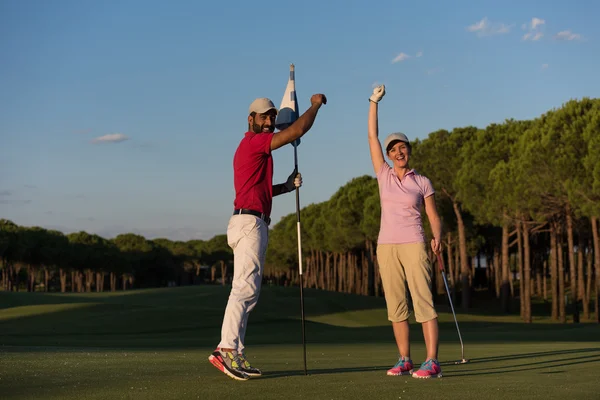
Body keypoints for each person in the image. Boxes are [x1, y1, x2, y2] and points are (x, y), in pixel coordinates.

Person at [209, 94, 327, 381]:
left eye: (272, 117)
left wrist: (285, 187)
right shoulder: (254, 142)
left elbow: (260, 189)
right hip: (249, 222)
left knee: (249, 293)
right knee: (244, 290)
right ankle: (225, 349)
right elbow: (297, 131)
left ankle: (234, 350)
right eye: (263, 117)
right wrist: (315, 105)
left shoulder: (256, 151)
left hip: (250, 219)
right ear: (250, 119)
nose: (269, 122)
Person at [367, 84, 443, 379]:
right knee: (396, 306)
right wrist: (374, 101)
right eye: (393, 149)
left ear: (409, 150)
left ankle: (432, 361)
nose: (399, 152)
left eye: (403, 147)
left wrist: (437, 237)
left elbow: (433, 216)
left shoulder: (422, 181)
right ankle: (404, 359)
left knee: (423, 302)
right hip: (387, 246)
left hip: (414, 243)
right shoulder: (383, 174)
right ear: (388, 154)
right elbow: (372, 136)